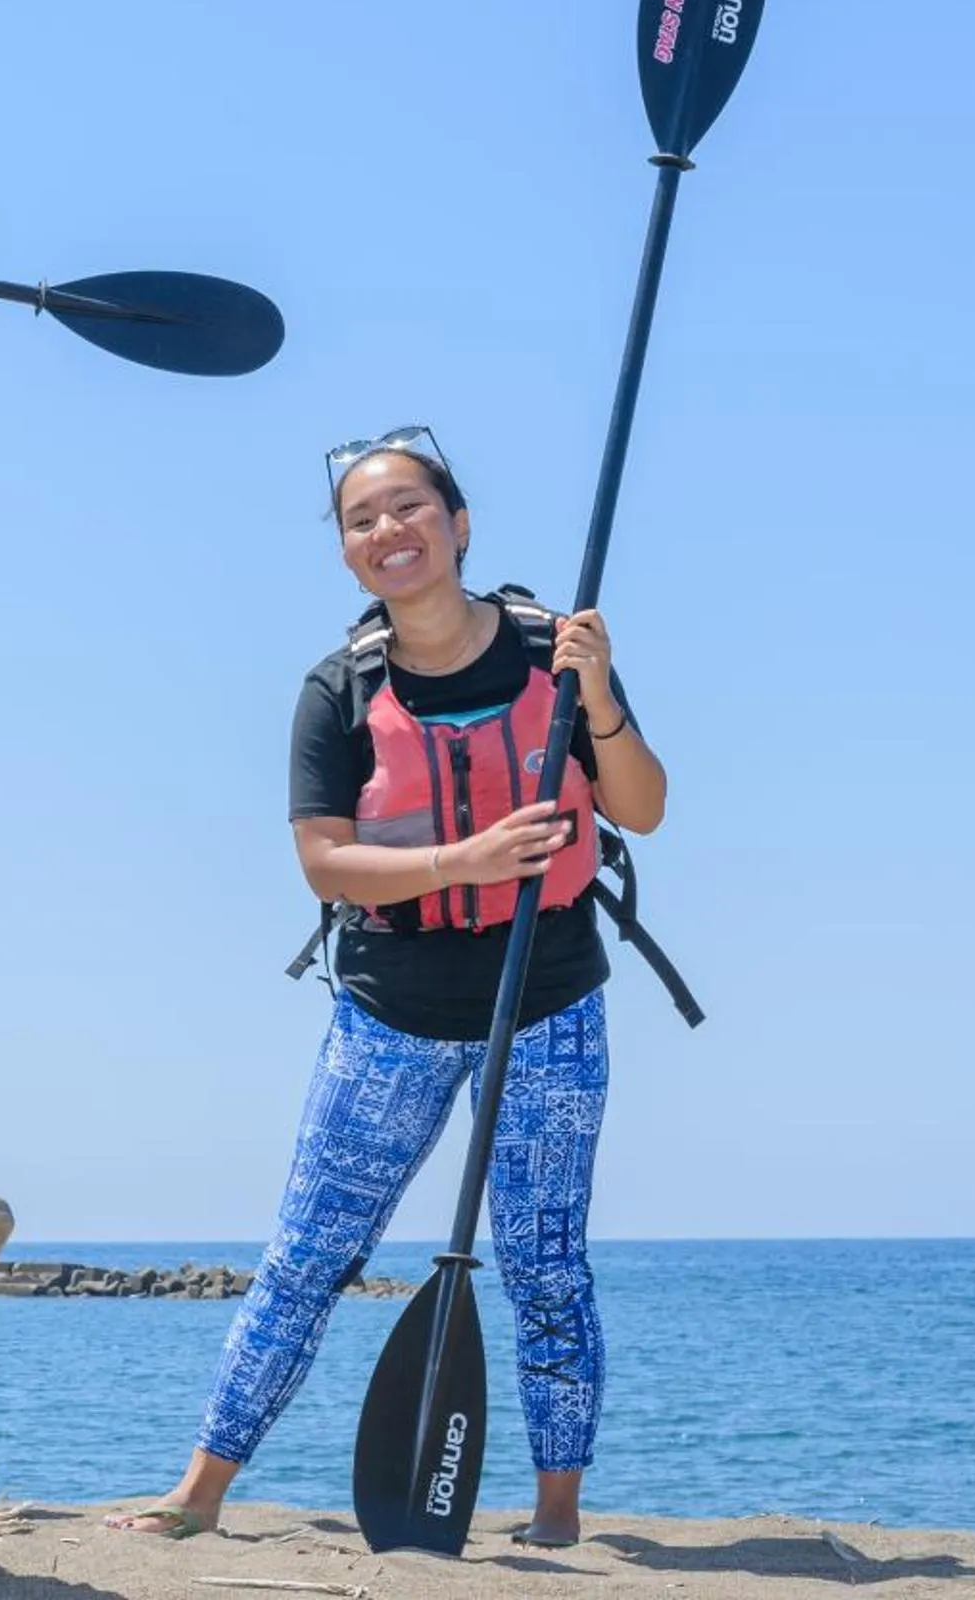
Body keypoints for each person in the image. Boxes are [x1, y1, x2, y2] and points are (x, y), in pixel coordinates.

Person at [109, 425, 670, 1549]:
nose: (387, 530)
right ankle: (200, 1491)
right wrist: (463, 862)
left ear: (458, 524)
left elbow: (643, 809)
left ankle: (558, 1514)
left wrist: (600, 695)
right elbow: (325, 862)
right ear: (347, 554)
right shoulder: (338, 690)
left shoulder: (555, 655)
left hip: (547, 1004)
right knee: (308, 1256)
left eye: (409, 507)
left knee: (546, 1266)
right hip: (390, 1016)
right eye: (361, 520)